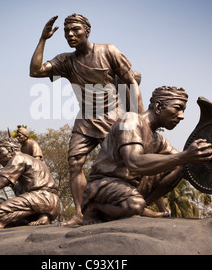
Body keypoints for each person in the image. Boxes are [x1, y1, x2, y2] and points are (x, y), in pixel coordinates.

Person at [29, 14, 144, 225]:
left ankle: (139, 204)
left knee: (127, 163)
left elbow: (130, 82)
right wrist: (43, 39)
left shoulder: (108, 51)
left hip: (112, 116)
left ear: (87, 31)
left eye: (75, 29)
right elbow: (35, 71)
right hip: (85, 119)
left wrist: (140, 119)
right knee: (75, 163)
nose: (70, 35)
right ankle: (80, 214)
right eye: (66, 31)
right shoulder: (66, 60)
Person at [81, 86, 212, 224]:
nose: (181, 116)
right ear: (158, 107)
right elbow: (134, 162)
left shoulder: (158, 139)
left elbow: (182, 161)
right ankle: (94, 206)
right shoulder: (130, 121)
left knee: (181, 165)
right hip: (104, 185)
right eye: (177, 108)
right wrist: (185, 156)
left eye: (183, 110)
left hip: (131, 189)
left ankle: (140, 206)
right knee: (135, 204)